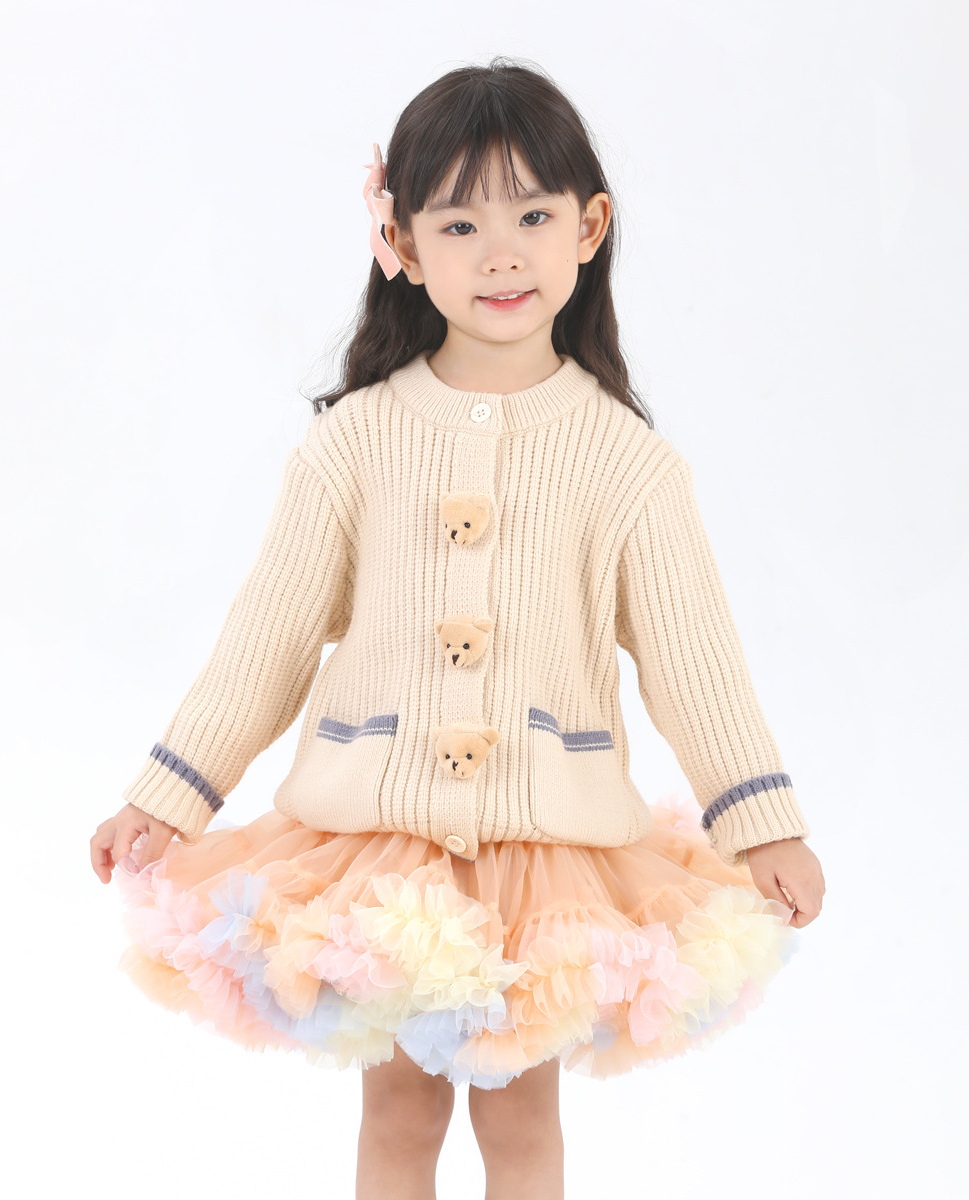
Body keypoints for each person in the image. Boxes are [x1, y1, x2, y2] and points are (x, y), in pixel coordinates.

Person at [89, 56, 826, 1200]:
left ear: (589, 228)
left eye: (533, 216)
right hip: (378, 852)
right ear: (402, 242)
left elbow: (697, 665)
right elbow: (266, 642)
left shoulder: (628, 462)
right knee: (397, 1113)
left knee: (522, 1121)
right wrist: (169, 793)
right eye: (460, 223)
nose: (500, 254)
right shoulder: (354, 443)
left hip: (547, 856)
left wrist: (762, 820)